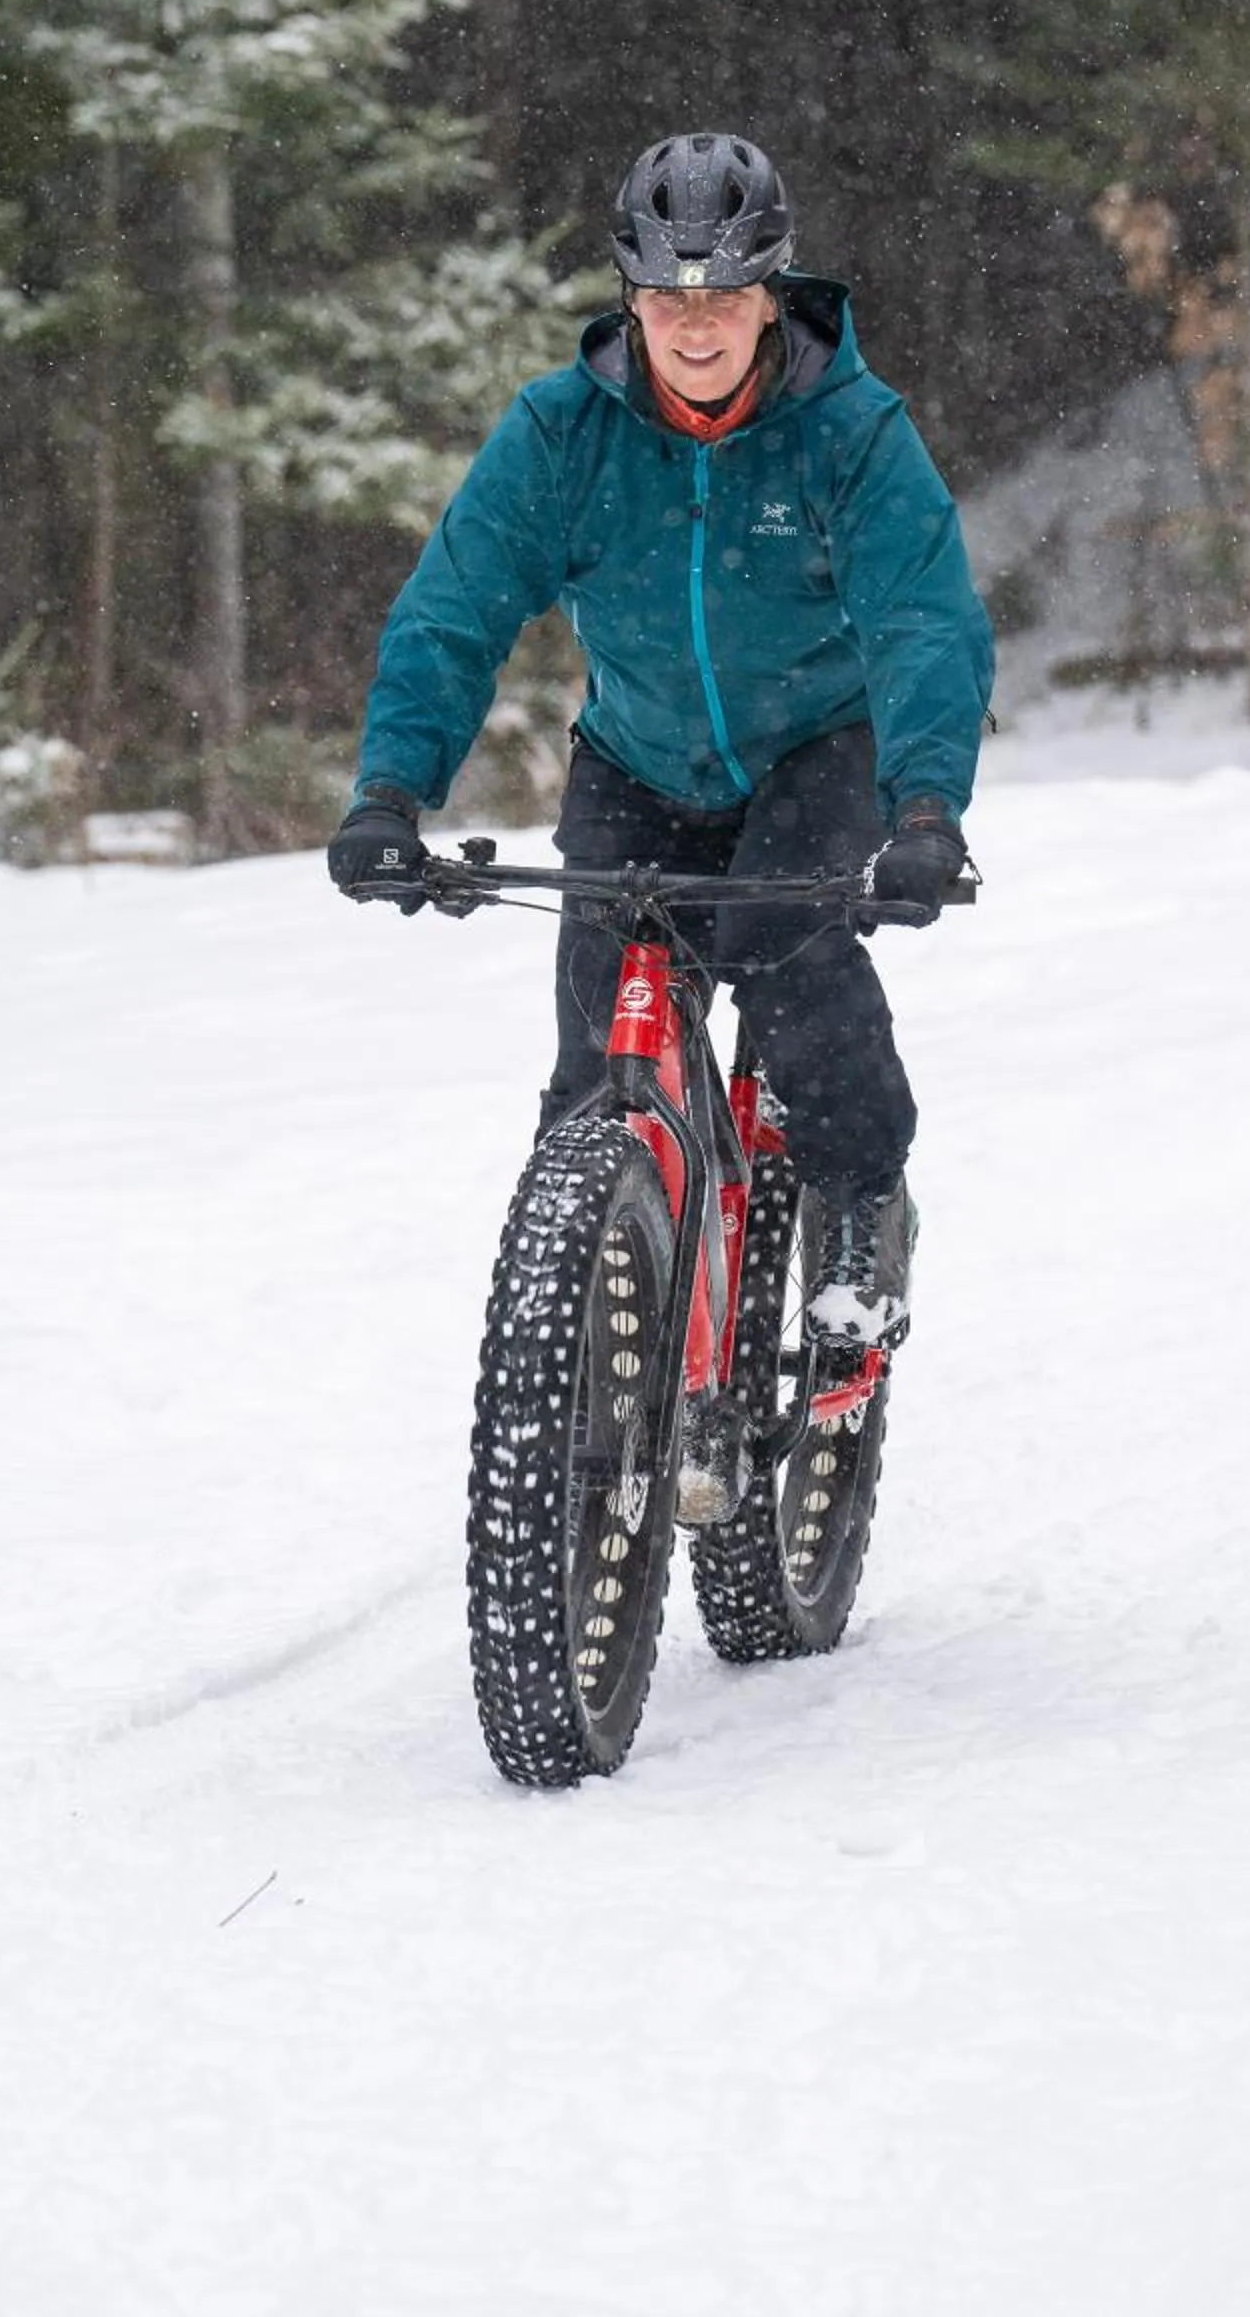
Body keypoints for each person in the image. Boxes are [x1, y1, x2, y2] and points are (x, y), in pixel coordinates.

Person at [327, 129, 992, 1465]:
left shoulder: (850, 433)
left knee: (775, 949)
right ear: (630, 296)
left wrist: (923, 814)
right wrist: (391, 791)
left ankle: (861, 1192)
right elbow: (456, 609)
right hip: (638, 760)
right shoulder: (563, 434)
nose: (699, 324)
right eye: (671, 295)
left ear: (771, 295)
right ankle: (591, 1320)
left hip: (821, 747)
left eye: (727, 295)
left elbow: (924, 623)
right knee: (594, 1064)